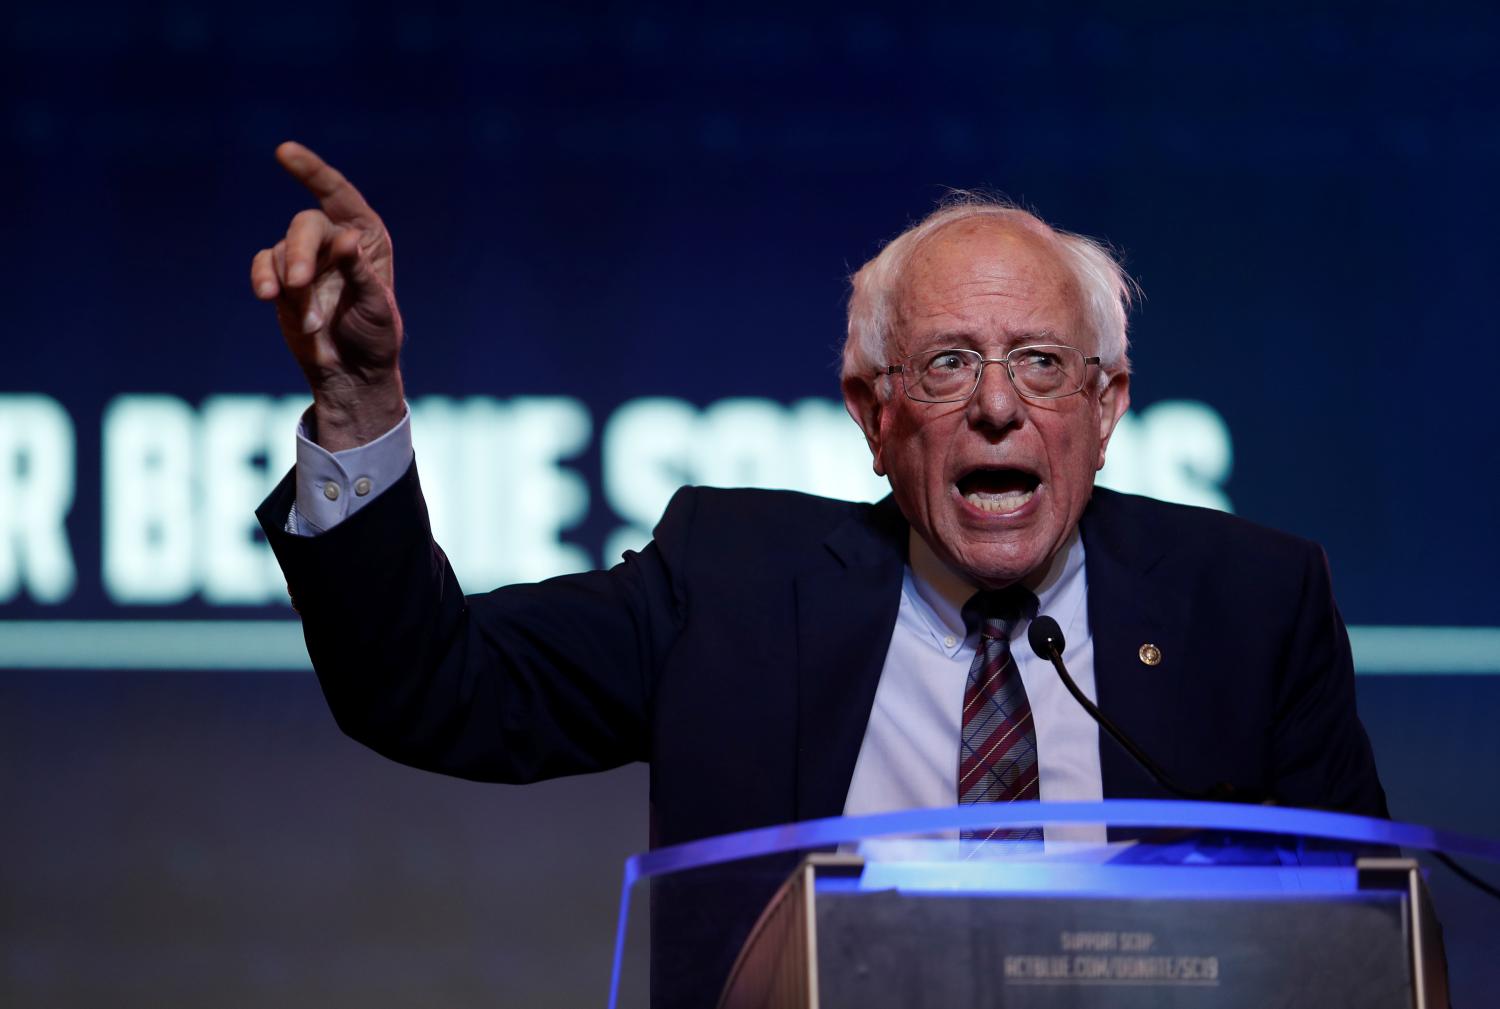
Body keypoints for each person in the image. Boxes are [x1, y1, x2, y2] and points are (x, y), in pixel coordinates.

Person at [250, 142, 1387, 1006]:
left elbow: (1365, 941)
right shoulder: (733, 589)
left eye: (1043, 364)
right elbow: (429, 683)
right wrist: (358, 405)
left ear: (1106, 409)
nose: (999, 403)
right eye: (948, 364)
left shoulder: (1250, 604)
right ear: (873, 413)